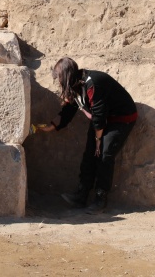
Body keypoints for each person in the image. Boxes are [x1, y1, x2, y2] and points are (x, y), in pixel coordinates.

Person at [36, 57, 137, 212]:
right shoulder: (75, 86)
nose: (58, 82)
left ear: (67, 76)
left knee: (104, 154)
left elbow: (99, 116)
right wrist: (52, 126)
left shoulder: (92, 84)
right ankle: (81, 195)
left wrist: (98, 140)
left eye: (59, 78)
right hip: (102, 119)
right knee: (90, 154)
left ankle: (100, 199)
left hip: (120, 118)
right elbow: (69, 110)